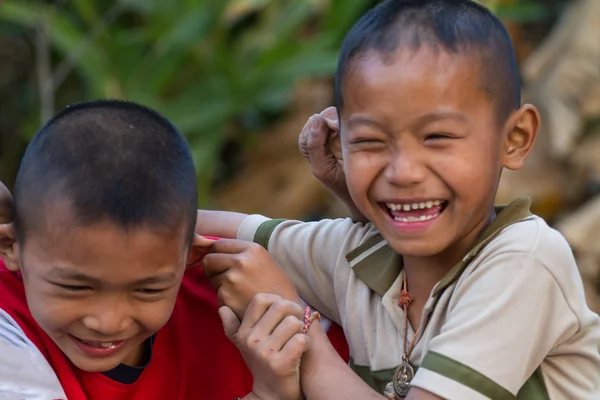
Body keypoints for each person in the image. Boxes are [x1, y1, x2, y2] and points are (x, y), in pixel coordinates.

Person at [196, 1, 600, 399]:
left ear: (515, 139)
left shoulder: (524, 262)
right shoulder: (358, 256)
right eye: (370, 141)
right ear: (341, 145)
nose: (403, 172)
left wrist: (299, 331)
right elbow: (191, 226)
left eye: (438, 137)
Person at [0, 100, 348, 400]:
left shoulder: (256, 297)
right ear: (10, 247)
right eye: (75, 287)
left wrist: (301, 335)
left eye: (147, 290)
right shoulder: (9, 325)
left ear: (191, 257)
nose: (108, 322)